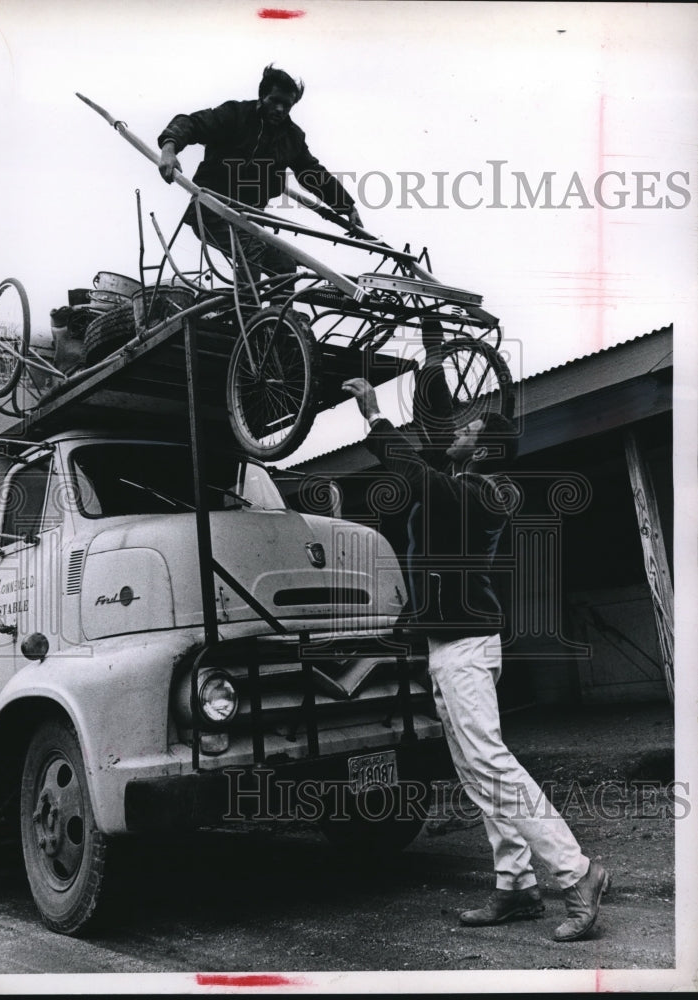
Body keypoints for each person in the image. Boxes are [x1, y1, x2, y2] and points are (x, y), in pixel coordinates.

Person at [342, 350, 610, 943]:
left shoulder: (482, 494)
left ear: (484, 449)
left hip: (465, 649)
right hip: (448, 646)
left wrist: (374, 417)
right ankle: (515, 887)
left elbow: (411, 474)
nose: (458, 429)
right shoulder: (455, 489)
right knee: (474, 769)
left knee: (490, 763)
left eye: (468, 428)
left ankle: (578, 873)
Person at [158, 65, 362, 289]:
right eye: (274, 101)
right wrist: (169, 148)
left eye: (287, 105)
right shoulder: (235, 114)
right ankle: (245, 316)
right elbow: (192, 123)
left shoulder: (292, 137)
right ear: (262, 96)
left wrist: (347, 206)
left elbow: (312, 172)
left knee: (284, 265)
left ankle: (279, 322)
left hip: (250, 217)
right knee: (252, 245)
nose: (279, 109)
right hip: (211, 211)